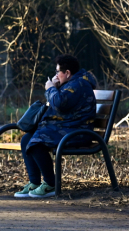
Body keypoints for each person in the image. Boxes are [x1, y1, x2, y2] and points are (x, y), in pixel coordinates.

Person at [15, 55, 98, 198]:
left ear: (67, 73)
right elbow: (60, 105)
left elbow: (58, 103)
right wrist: (56, 88)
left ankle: (50, 185)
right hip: (68, 128)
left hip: (78, 132)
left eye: (57, 72)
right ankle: (34, 182)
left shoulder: (78, 84)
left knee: (36, 142)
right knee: (26, 139)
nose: (55, 75)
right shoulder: (72, 83)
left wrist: (50, 88)